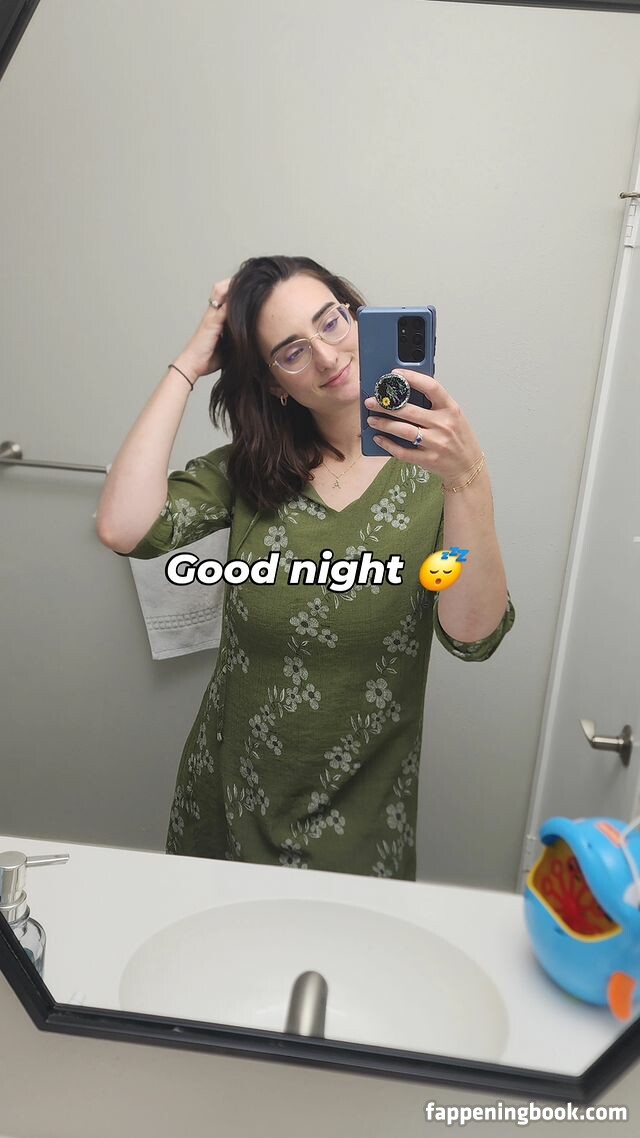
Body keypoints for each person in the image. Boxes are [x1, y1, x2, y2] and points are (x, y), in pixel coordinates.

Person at [97, 255, 514, 880]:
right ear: (273, 384)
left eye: (331, 322)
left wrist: (467, 476)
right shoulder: (250, 470)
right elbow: (122, 527)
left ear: (357, 318)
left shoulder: (437, 475)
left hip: (363, 826)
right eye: (291, 352)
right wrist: (190, 362)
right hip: (225, 811)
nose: (325, 356)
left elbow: (472, 635)